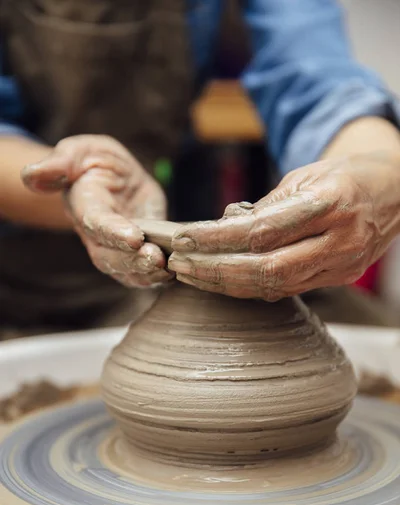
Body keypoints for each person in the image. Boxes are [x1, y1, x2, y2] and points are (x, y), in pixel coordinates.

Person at [1, 0, 400, 337]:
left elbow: (316, 76)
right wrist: (77, 182)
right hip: (28, 276)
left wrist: (379, 170)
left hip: (184, 234)